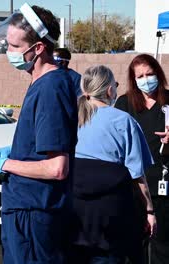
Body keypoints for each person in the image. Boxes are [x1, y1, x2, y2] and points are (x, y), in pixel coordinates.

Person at [0, 4, 78, 263]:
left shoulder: (50, 89)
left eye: (14, 47)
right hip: (25, 210)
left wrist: (7, 164)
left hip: (34, 213)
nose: (8, 51)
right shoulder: (40, 83)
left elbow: (57, 167)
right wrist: (17, 153)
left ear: (38, 48)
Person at [70, 65, 155, 263]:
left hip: (74, 217)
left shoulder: (73, 118)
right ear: (109, 90)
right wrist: (149, 210)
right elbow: (137, 176)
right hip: (110, 220)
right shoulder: (124, 121)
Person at [115, 54, 169, 264]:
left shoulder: (168, 101)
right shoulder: (125, 103)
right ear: (133, 79)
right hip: (134, 185)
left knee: (162, 246)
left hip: (162, 186)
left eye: (150, 74)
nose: (146, 79)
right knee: (134, 245)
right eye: (141, 76)